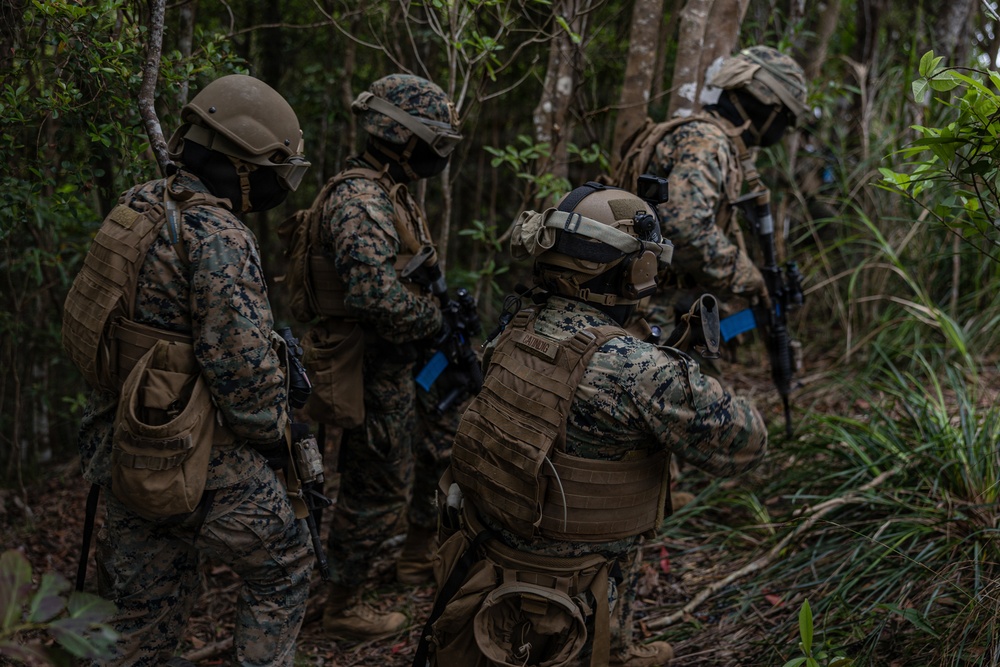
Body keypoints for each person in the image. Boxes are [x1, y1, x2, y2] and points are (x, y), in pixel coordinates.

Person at [420, 182, 768, 667]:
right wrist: (676, 374)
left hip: (489, 549)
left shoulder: (514, 324)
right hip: (572, 580)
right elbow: (748, 444)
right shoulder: (637, 367)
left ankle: (619, 645)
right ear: (636, 270)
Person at [61, 73, 314, 666]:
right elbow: (248, 387)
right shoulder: (218, 234)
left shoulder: (138, 206)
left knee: (139, 617)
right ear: (242, 162)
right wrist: (279, 432)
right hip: (194, 458)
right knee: (287, 561)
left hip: (122, 442)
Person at [293, 73, 464, 641]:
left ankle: (416, 557)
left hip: (409, 362)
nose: (438, 155)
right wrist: (435, 320)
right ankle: (344, 606)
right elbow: (374, 297)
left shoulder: (391, 192)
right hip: (371, 367)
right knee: (376, 484)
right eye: (435, 141)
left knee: (439, 441)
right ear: (404, 135)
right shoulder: (362, 198)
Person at [613, 45, 809, 355]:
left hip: (645, 299)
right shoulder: (707, 141)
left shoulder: (708, 138)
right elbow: (685, 227)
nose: (784, 128)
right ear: (766, 104)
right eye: (785, 117)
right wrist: (749, 277)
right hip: (642, 310)